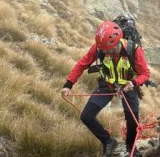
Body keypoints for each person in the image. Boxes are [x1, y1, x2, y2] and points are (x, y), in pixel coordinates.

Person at [61, 21, 150, 157]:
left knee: (132, 121)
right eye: (103, 50)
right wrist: (68, 84)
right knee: (86, 116)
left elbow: (145, 73)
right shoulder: (99, 48)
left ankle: (130, 145)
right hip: (107, 85)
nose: (106, 52)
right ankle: (108, 141)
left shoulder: (134, 50)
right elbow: (81, 65)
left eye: (109, 49)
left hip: (128, 87)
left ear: (118, 41)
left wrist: (134, 82)